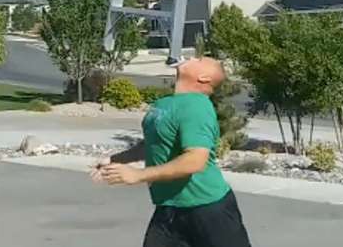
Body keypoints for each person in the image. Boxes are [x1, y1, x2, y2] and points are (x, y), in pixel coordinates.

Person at [91, 57, 252, 247]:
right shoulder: (165, 103)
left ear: (204, 77)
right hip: (169, 209)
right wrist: (116, 159)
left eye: (199, 59)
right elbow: (152, 144)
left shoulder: (197, 107)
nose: (191, 56)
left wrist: (138, 175)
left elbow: (195, 160)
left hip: (208, 211)